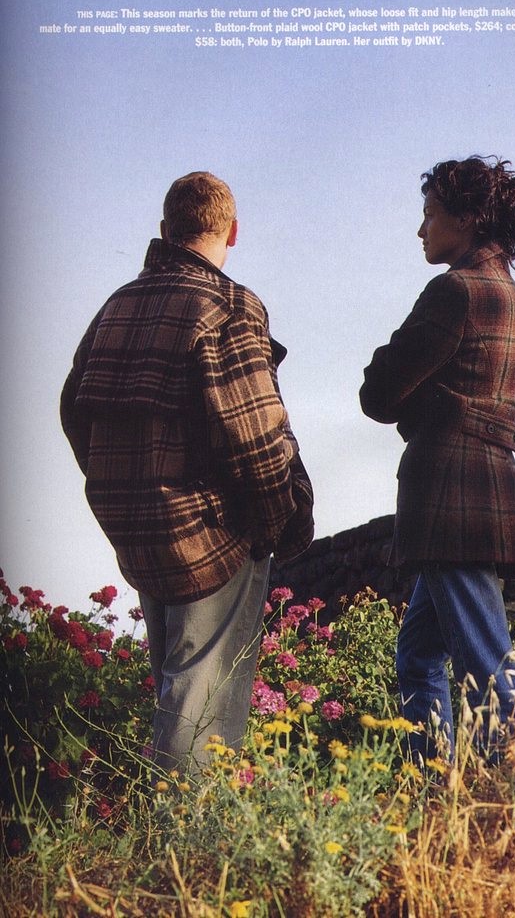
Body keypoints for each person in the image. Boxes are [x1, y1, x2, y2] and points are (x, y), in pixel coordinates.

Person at [61, 171, 314, 772]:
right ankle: (184, 830)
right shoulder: (229, 305)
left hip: (138, 528)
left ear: (165, 229)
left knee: (175, 694)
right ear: (233, 231)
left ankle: (167, 820)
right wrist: (278, 523)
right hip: (212, 535)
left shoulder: (116, 306)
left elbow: (74, 411)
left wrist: (117, 485)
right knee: (202, 708)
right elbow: (256, 438)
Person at [360, 156, 515, 763]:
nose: (421, 229)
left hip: (448, 493)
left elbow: (378, 393)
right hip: (489, 485)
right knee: (419, 654)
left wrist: (417, 402)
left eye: (430, 214)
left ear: (466, 219)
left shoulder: (453, 291)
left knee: (483, 657)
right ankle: (432, 782)